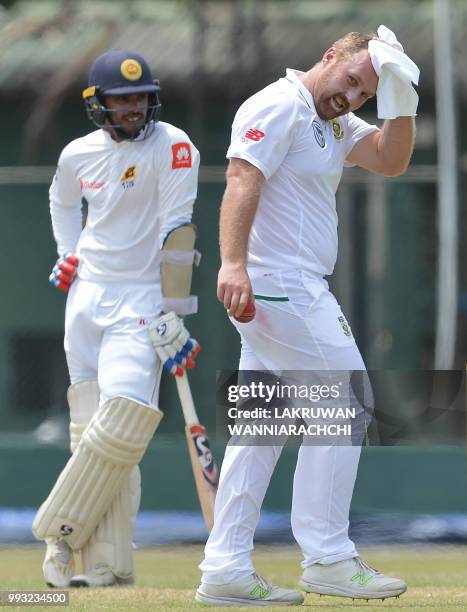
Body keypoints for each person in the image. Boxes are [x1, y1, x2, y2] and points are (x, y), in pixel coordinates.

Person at [196, 26, 418, 606]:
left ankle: (225, 568)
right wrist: (232, 264)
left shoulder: (336, 120)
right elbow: (243, 176)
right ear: (330, 57)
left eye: (366, 93)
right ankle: (327, 556)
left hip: (287, 285)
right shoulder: (280, 103)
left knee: (259, 431)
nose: (352, 97)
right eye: (351, 80)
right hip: (278, 283)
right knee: (347, 400)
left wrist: (401, 104)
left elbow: (391, 160)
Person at [32, 49, 200, 588]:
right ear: (97, 103)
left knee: (123, 422)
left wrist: (175, 311)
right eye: (121, 99)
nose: (132, 108)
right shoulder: (77, 154)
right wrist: (67, 252)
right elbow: (61, 202)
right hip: (85, 300)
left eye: (140, 99)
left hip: (142, 299)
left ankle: (59, 538)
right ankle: (108, 566)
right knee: (91, 439)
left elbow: (178, 232)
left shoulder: (175, 146)